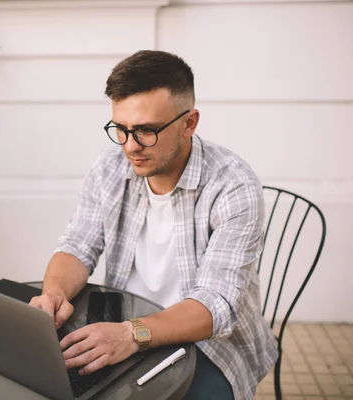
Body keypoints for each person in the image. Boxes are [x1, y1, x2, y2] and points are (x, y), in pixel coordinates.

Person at [28, 50, 278, 400]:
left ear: (189, 123)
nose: (130, 147)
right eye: (121, 129)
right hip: (120, 319)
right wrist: (54, 292)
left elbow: (216, 305)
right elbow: (77, 245)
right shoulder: (110, 167)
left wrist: (130, 335)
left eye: (146, 130)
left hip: (208, 345)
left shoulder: (233, 186)